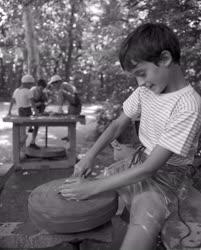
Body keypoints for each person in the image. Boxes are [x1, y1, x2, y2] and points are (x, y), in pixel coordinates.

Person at [59, 23, 201, 250]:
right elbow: (116, 125)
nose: (140, 83)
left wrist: (93, 187)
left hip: (167, 178)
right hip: (140, 160)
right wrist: (89, 156)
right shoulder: (145, 91)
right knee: (100, 186)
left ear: (164, 59)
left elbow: (150, 169)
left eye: (141, 74)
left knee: (143, 220)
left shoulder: (188, 105)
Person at [8, 74, 40, 149]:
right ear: (26, 83)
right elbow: (32, 104)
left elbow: (12, 101)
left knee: (23, 127)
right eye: (31, 84)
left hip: (20, 111)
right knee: (37, 124)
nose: (31, 86)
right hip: (27, 111)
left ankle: (23, 147)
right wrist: (37, 113)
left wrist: (9, 111)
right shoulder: (28, 91)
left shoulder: (16, 90)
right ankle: (30, 140)